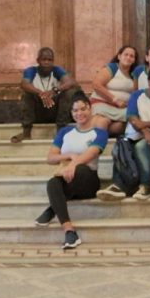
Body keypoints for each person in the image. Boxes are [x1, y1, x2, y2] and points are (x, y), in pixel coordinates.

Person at [34, 93, 108, 250]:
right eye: (75, 110)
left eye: (83, 109)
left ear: (90, 109)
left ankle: (53, 208)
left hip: (88, 181)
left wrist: (73, 164)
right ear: (71, 113)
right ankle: (69, 231)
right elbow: (50, 158)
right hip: (67, 178)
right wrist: (68, 156)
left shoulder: (99, 133)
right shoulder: (65, 132)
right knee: (53, 183)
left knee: (80, 169)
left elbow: (91, 153)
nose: (79, 113)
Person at [96, 67, 150, 201]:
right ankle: (117, 186)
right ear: (148, 81)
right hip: (134, 136)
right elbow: (132, 118)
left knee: (141, 146)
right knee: (121, 147)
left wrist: (145, 124)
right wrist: (146, 131)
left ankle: (145, 186)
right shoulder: (137, 95)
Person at [11, 47, 79, 143]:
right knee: (27, 94)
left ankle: (61, 131)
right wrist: (41, 93)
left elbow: (71, 82)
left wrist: (54, 91)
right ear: (38, 60)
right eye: (44, 59)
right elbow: (24, 84)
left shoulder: (57, 70)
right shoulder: (31, 71)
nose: (47, 62)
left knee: (69, 92)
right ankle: (26, 133)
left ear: (53, 61)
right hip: (37, 112)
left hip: (55, 111)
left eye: (50, 60)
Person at [90, 45, 138, 135]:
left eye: (132, 56)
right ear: (119, 56)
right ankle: (97, 138)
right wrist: (115, 100)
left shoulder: (134, 74)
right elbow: (96, 85)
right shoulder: (112, 68)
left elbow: (136, 94)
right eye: (126, 54)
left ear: (134, 60)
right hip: (103, 104)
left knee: (126, 124)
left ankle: (98, 133)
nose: (128, 57)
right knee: (102, 121)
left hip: (122, 110)